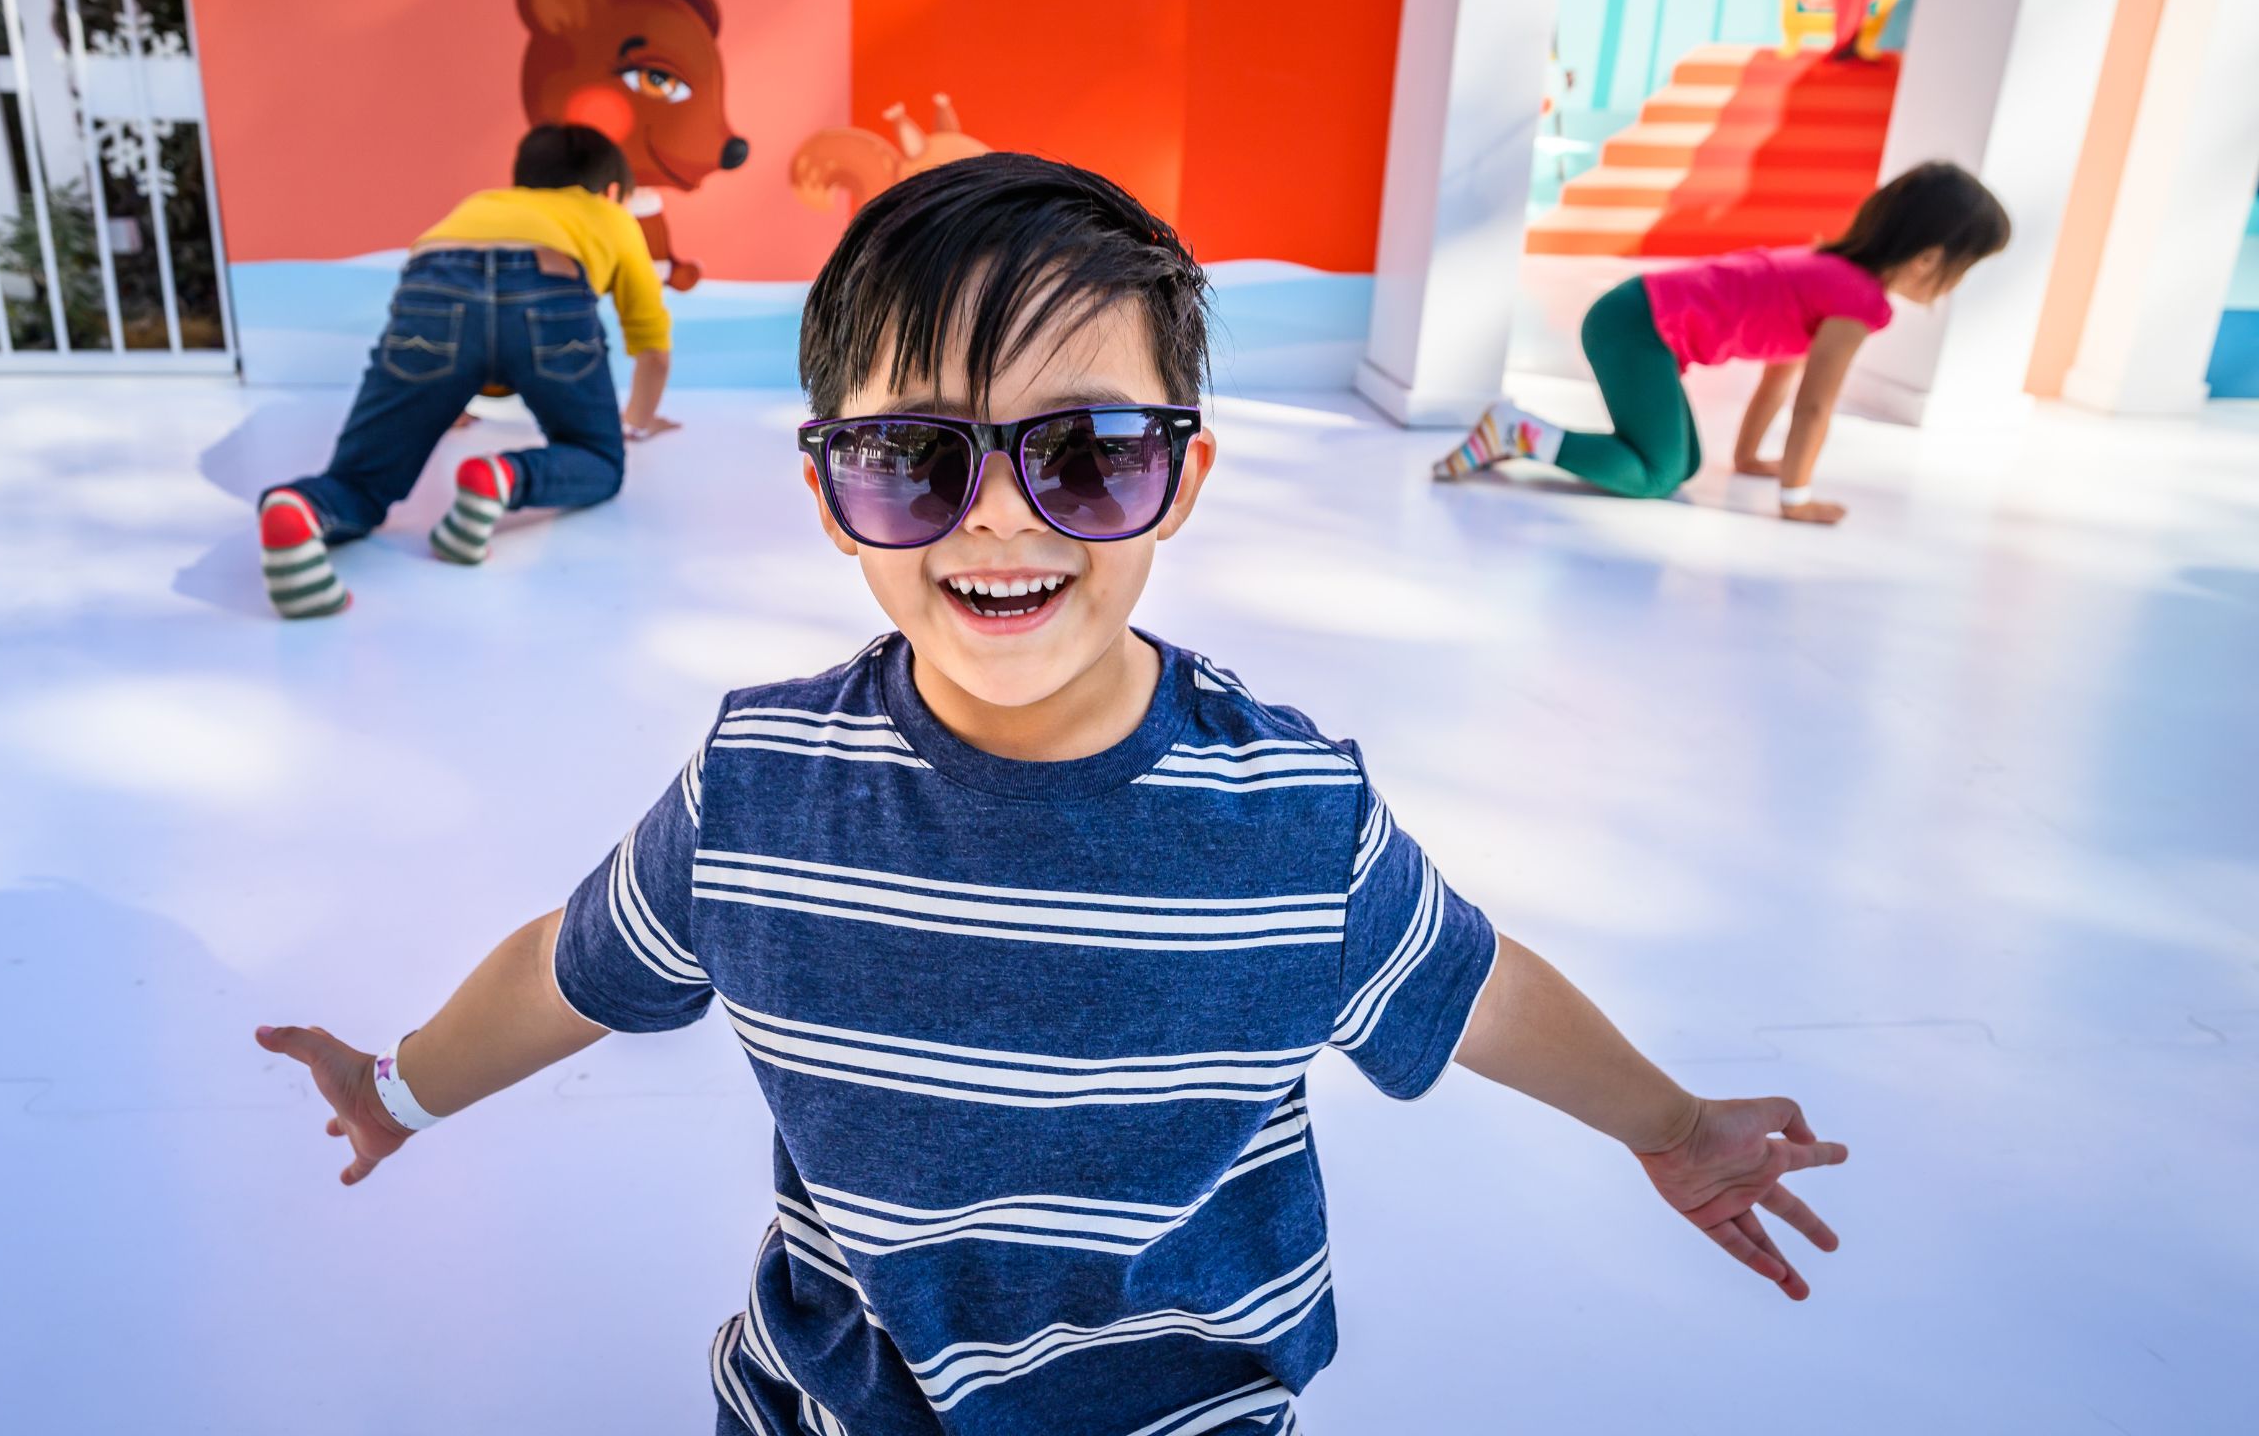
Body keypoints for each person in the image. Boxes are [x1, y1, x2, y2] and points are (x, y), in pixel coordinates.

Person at [258, 154, 1849, 1433]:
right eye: (915, 460)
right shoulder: (754, 794)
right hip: (829, 1395)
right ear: (830, 495)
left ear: (1187, 481)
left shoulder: (1290, 820)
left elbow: (1475, 989)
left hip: (1177, 1411)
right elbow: (572, 968)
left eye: (1086, 455)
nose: (1002, 522)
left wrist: (1678, 1122)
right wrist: (400, 1091)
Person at [1436, 161, 2010, 526]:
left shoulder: (1829, 273)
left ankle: (1524, 435)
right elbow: (1815, 404)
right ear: (1930, 257)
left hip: (1635, 316)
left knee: (1682, 464)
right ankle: (1519, 431)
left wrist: (1747, 457)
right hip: (1636, 327)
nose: (1956, 282)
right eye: (1964, 268)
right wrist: (1797, 498)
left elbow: (1782, 375)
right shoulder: (1856, 302)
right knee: (1658, 478)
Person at [258, 124, 677, 620]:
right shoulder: (609, 215)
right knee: (599, 460)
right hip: (549, 289)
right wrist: (635, 421)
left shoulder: (479, 206)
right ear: (609, 187)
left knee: (361, 480)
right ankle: (500, 477)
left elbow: (476, 311)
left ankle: (300, 507)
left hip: (433, 287)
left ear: (522, 178)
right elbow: (652, 346)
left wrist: (442, 401)